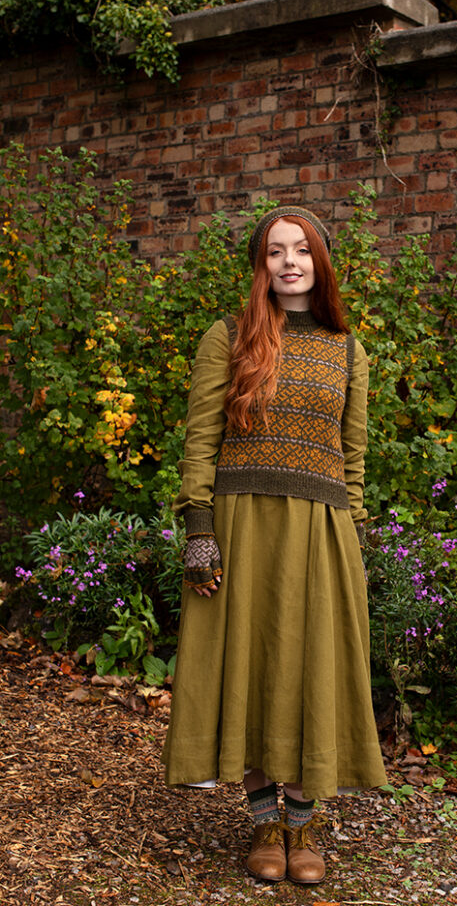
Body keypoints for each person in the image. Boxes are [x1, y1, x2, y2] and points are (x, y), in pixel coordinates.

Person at [162, 206, 387, 885]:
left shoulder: (349, 351)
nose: (290, 262)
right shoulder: (226, 338)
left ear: (321, 263)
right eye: (275, 252)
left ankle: (304, 824)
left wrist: (353, 536)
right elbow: (201, 439)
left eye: (303, 251)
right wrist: (198, 529)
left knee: (309, 671)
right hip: (240, 526)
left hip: (319, 534)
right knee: (252, 671)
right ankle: (263, 821)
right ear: (260, 266)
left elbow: (354, 458)